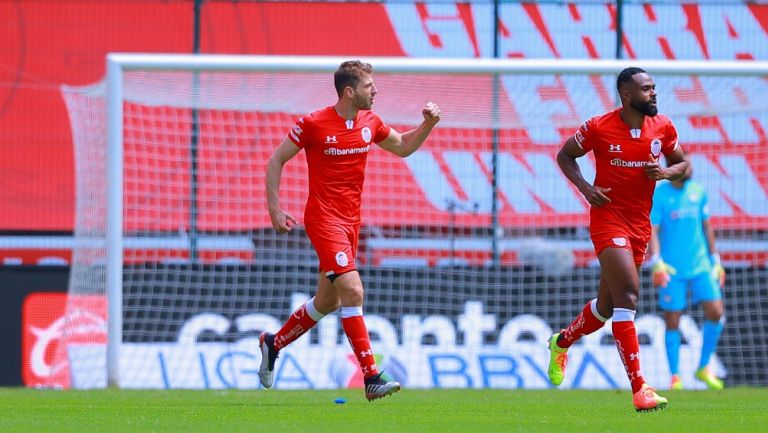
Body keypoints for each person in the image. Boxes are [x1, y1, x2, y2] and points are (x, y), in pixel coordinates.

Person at [262, 60, 440, 401]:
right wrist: (275, 209)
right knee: (353, 291)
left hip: (351, 223)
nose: (375, 91)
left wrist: (427, 125)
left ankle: (273, 343)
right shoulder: (313, 123)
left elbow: (402, 146)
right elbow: (276, 160)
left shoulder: (370, 122)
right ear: (349, 91)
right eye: (369, 85)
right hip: (323, 220)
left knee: (326, 302)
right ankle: (371, 377)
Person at [551, 66, 688, 412]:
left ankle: (561, 341)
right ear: (627, 95)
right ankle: (640, 388)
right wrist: (586, 188)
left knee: (607, 308)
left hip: (640, 225)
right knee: (629, 294)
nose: (653, 93)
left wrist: (666, 172)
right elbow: (565, 155)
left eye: (654, 88)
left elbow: (683, 165)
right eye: (646, 89)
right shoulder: (598, 126)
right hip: (608, 219)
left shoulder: (663, 126)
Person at [648, 157, 726, 390]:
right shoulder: (660, 195)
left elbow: (707, 226)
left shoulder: (698, 191)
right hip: (672, 269)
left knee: (716, 312)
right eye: (686, 166)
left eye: (691, 165)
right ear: (674, 169)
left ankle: (703, 367)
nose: (690, 169)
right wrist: (657, 261)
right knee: (673, 321)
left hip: (701, 266)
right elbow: (652, 229)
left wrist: (716, 260)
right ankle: (675, 376)